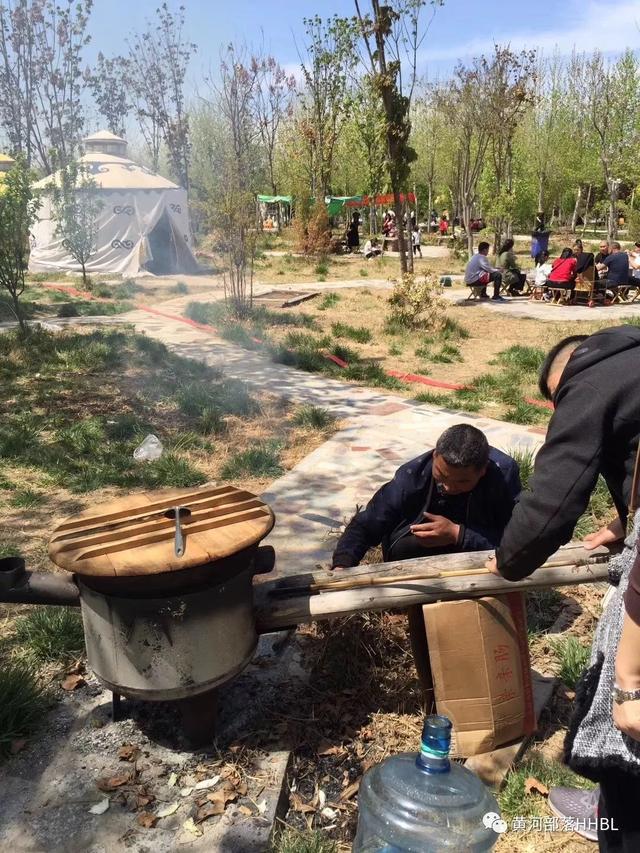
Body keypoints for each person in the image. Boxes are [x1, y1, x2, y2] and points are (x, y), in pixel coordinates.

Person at [486, 327, 640, 849]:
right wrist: (627, 517)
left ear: (561, 377)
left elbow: (554, 499)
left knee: (626, 722)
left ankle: (619, 821)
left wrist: (509, 562)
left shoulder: (589, 382)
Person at [332, 424, 521, 571]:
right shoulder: (412, 475)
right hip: (415, 553)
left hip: (481, 558)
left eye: (462, 482)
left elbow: (516, 540)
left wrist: (457, 534)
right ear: (435, 455)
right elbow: (367, 524)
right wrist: (343, 565)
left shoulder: (503, 475)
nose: (448, 487)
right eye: (442, 475)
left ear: (482, 471)